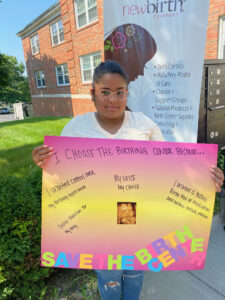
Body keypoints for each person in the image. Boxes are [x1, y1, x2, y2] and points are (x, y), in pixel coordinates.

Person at [32, 60, 224, 300]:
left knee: (134, 272)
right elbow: (65, 179)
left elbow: (169, 169)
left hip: (137, 215)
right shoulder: (75, 128)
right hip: (97, 218)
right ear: (93, 94)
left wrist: (205, 183)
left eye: (119, 92)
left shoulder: (144, 125)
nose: (113, 99)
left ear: (127, 93)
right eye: (105, 92)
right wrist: (46, 165)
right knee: (108, 275)